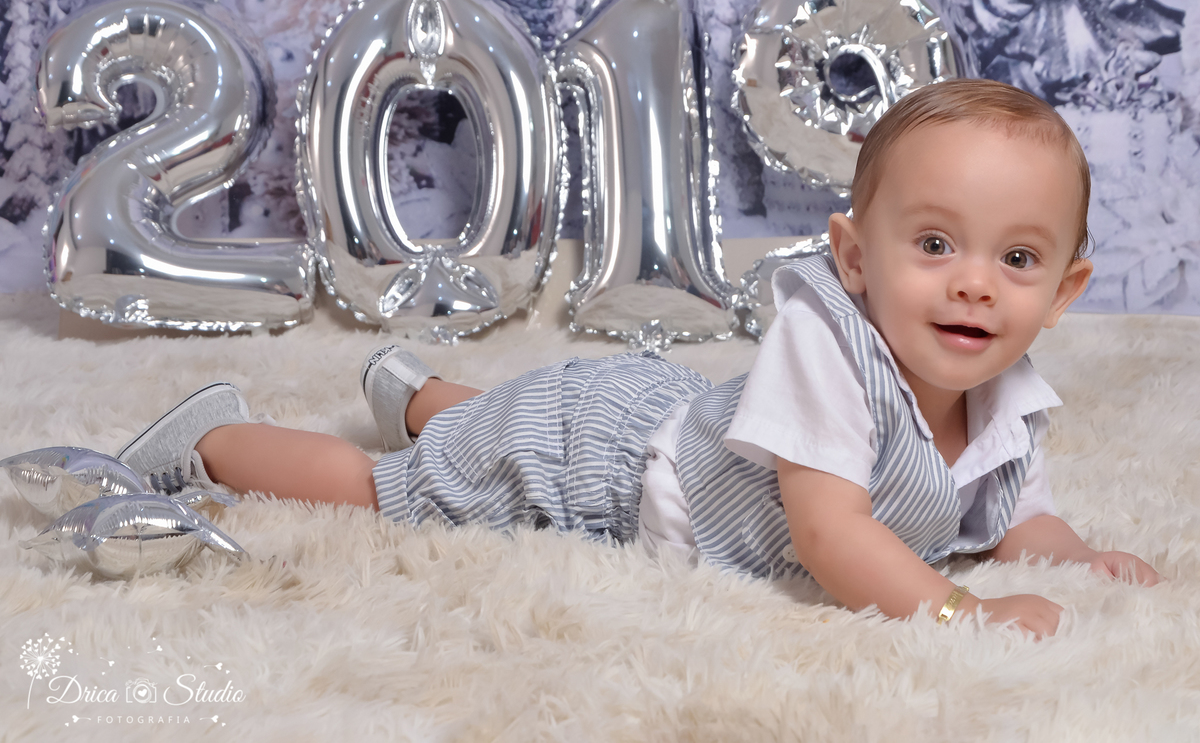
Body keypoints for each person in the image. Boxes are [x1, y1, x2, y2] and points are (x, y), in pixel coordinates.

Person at [117, 79, 1159, 638]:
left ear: (1064, 290)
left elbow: (1014, 511)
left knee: (499, 423)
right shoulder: (831, 349)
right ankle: (217, 438)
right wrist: (960, 611)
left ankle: (424, 397)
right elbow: (832, 534)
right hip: (604, 464)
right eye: (933, 244)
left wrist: (1071, 554)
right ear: (854, 257)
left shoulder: (1006, 394)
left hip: (674, 413)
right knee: (394, 492)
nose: (976, 285)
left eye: (1018, 259)